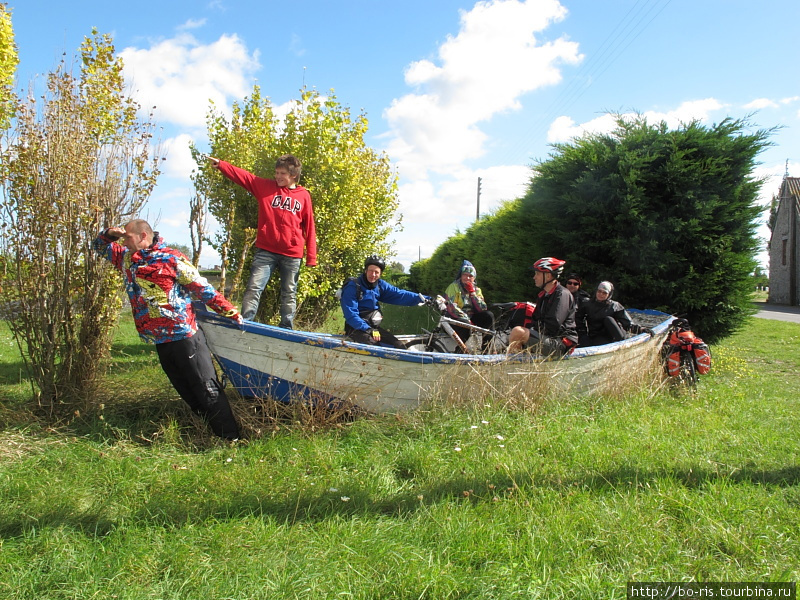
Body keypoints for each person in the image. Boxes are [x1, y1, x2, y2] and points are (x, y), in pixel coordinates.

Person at [94, 219, 243, 439]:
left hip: (184, 335)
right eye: (123, 238)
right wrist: (109, 233)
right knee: (185, 388)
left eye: (128, 237)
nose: (124, 242)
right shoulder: (127, 258)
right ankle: (208, 432)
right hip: (159, 338)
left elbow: (202, 287)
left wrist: (229, 311)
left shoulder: (171, 258)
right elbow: (99, 247)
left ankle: (232, 438)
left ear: (143, 236)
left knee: (206, 387)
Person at [208, 154, 316, 329]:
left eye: (282, 173)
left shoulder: (304, 196)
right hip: (266, 250)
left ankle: (286, 327)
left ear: (293, 175)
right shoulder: (265, 187)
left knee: (289, 292)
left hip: (292, 253)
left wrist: (311, 256)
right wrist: (221, 165)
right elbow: (244, 177)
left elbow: (309, 226)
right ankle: (246, 323)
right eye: (276, 173)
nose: (278, 177)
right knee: (254, 287)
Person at [340, 255, 429, 349]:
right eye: (370, 271)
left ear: (380, 273)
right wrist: (368, 329)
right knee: (377, 348)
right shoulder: (353, 286)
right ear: (365, 270)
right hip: (356, 328)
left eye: (376, 272)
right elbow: (350, 314)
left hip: (373, 328)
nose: (373, 275)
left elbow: (400, 294)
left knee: (399, 346)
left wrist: (426, 299)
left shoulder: (380, 285)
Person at [507, 257, 578, 357]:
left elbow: (553, 324)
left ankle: (513, 366)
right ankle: (520, 365)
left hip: (560, 344)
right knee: (514, 333)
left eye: (537, 274)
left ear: (548, 276)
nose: (534, 277)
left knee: (518, 332)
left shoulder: (562, 294)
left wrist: (529, 333)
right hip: (548, 339)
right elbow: (535, 320)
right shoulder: (544, 295)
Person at [443, 260, 495, 350]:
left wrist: (472, 293)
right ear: (461, 275)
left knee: (488, 315)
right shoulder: (453, 287)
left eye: (470, 276)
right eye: (465, 275)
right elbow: (452, 308)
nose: (467, 278)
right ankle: (459, 350)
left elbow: (482, 309)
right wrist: (468, 321)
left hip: (471, 318)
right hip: (454, 318)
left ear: (474, 278)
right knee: (465, 324)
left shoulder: (477, 290)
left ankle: (486, 348)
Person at [576, 280, 638, 347]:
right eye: (599, 291)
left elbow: (627, 323)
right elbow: (578, 319)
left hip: (613, 335)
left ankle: (620, 343)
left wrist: (640, 330)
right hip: (595, 335)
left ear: (609, 294)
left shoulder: (615, 306)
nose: (601, 294)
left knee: (608, 319)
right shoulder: (587, 304)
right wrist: (583, 334)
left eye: (604, 293)